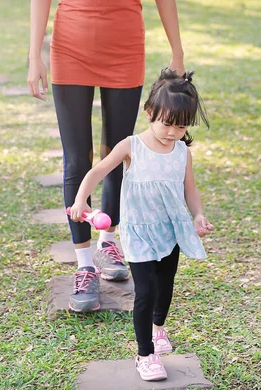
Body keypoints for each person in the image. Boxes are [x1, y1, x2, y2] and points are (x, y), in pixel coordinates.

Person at [27, 0, 188, 313]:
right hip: (71, 46)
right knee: (76, 159)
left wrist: (177, 52)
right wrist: (34, 56)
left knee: (116, 152)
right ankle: (84, 266)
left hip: (125, 47)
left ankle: (108, 241)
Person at [69, 69, 214, 381]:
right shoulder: (131, 146)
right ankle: (145, 354)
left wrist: (198, 215)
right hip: (138, 232)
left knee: (165, 289)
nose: (173, 132)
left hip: (170, 230)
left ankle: (158, 329)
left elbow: (190, 189)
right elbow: (98, 172)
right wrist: (82, 200)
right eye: (167, 123)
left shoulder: (181, 152)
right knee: (145, 292)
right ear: (150, 113)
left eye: (181, 126)